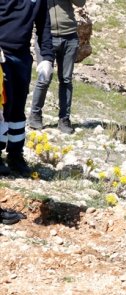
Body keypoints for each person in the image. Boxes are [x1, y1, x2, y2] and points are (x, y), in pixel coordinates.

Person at [0, 0, 55, 175]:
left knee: (18, 106)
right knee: (3, 106)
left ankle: (15, 155)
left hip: (22, 57)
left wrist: (46, 57)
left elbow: (44, 27)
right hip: (2, 54)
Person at [28, 0, 85, 134]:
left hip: (69, 35)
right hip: (45, 35)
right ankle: (35, 115)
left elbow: (80, 3)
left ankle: (64, 119)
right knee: (44, 78)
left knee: (66, 79)